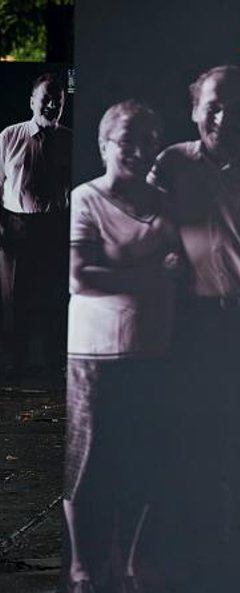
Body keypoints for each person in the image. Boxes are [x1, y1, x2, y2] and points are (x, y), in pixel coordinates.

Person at [148, 65, 240, 593]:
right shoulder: (169, 165)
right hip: (191, 328)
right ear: (193, 108)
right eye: (214, 105)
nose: (225, 117)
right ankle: (198, 567)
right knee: (193, 452)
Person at [63, 100, 180, 593]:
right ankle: (81, 565)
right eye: (126, 140)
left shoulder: (165, 201)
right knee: (86, 460)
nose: (136, 149)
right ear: (104, 144)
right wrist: (152, 275)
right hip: (93, 351)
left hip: (152, 347)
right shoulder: (85, 199)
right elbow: (79, 276)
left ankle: (127, 561)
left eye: (147, 140)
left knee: (143, 460)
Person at [0, 72, 71, 384]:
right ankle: (17, 365)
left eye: (59, 100)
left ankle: (54, 365)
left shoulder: (70, 139)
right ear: (32, 101)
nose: (53, 104)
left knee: (55, 297)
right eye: (46, 98)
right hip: (17, 225)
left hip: (55, 226)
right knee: (16, 299)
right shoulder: (8, 137)